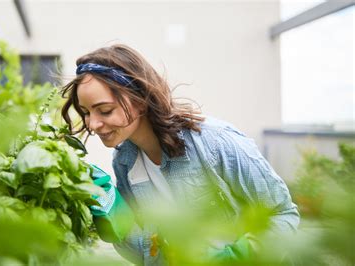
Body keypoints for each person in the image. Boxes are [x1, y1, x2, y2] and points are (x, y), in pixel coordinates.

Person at [61, 44, 299, 265]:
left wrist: (237, 257)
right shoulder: (125, 162)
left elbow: (283, 215)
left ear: (140, 101)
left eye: (105, 110)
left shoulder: (215, 143)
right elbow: (146, 254)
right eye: (86, 112)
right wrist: (116, 217)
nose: (92, 124)